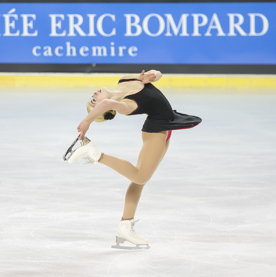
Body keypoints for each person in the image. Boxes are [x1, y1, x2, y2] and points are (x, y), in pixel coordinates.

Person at [67, 70, 202, 248]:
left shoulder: (124, 79)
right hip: (155, 132)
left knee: (139, 181)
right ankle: (96, 155)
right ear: (107, 109)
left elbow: (157, 74)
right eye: (94, 101)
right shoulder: (126, 106)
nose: (93, 95)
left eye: (91, 99)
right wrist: (87, 121)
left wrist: (154, 75)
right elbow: (108, 102)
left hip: (167, 128)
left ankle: (125, 226)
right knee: (140, 176)